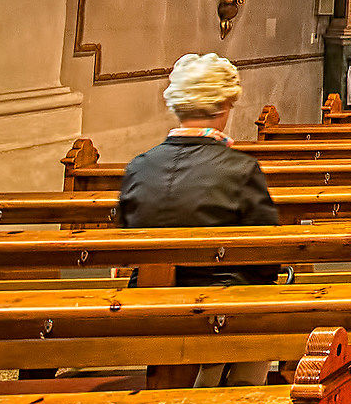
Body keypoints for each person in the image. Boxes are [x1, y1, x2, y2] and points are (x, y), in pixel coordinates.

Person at [118, 54, 283, 384]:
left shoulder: (139, 166)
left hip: (147, 303)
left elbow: (126, 238)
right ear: (223, 106)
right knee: (273, 300)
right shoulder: (239, 169)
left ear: (177, 106)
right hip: (221, 307)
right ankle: (238, 391)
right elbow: (267, 256)